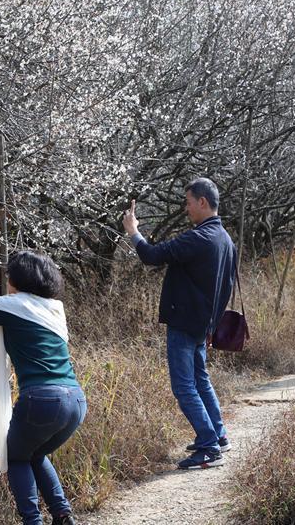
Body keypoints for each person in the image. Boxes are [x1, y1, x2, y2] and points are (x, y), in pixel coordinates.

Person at [0, 251, 84, 525]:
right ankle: (62, 515)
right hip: (75, 401)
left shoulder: (12, 304)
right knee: (34, 454)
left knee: (15, 458)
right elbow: (12, 314)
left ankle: (32, 521)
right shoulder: (53, 307)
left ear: (18, 279)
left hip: (42, 400)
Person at [122, 178, 236, 470]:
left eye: (188, 202)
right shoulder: (225, 239)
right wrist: (211, 325)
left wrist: (133, 231)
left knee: (184, 387)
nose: (186, 209)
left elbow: (151, 255)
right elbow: (227, 287)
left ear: (202, 202)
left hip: (185, 323)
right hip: (201, 325)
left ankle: (209, 446)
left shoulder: (199, 238)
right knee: (200, 380)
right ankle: (219, 435)